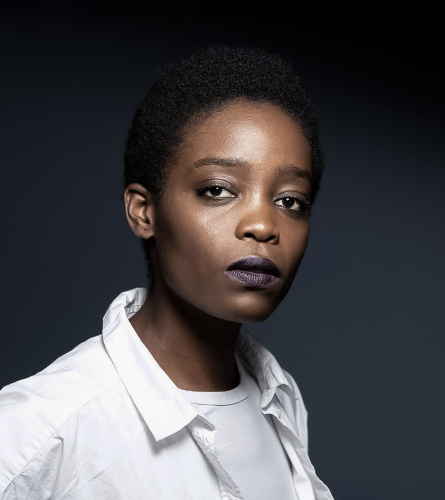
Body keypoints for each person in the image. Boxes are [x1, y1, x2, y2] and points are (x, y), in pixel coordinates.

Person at [0, 46, 333, 499]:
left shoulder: (280, 399)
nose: (262, 225)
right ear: (144, 211)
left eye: (290, 200)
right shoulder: (40, 430)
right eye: (218, 190)